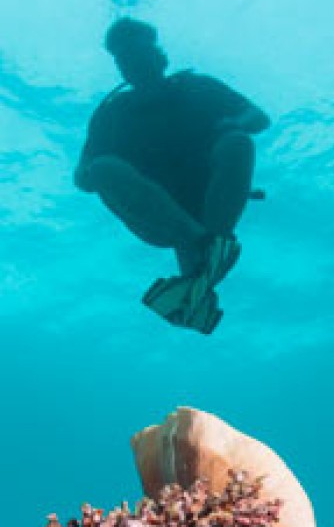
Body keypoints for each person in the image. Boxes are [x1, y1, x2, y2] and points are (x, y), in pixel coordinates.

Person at [75, 18, 270, 334]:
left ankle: (201, 271)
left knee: (237, 142)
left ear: (159, 55)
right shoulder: (112, 114)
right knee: (103, 168)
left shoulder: (199, 87)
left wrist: (233, 123)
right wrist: (103, 173)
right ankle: (206, 248)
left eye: (140, 51)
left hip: (214, 201)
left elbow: (258, 118)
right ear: (120, 68)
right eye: (126, 57)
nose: (136, 62)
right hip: (157, 217)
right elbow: (83, 179)